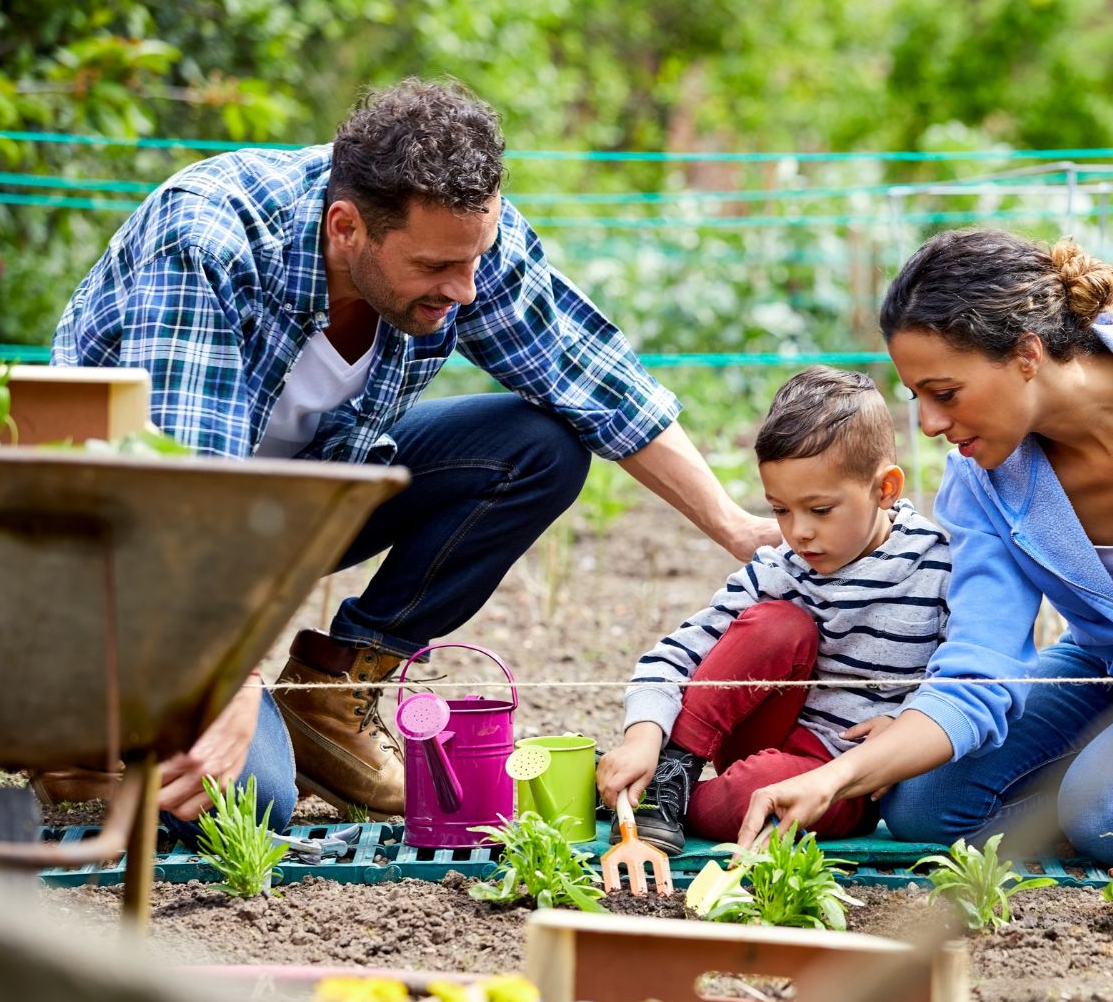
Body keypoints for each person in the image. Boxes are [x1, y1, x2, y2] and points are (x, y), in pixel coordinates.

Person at [45, 78, 777, 829]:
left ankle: (329, 698)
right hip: (115, 550)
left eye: (474, 260)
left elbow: (596, 382)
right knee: (248, 799)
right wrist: (227, 686)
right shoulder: (209, 239)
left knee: (538, 448)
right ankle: (75, 715)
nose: (464, 289)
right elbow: (180, 493)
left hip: (284, 511)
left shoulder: (460, 240)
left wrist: (736, 527)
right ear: (347, 228)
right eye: (435, 270)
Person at [734, 229, 1113, 877]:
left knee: (1110, 813)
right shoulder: (981, 475)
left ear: (1027, 354)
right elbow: (981, 661)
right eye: (915, 396)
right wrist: (837, 777)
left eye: (944, 393)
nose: (926, 424)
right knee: (923, 807)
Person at [595, 366, 951, 853]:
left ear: (884, 489)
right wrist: (643, 736)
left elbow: (963, 677)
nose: (798, 532)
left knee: (753, 794)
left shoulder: (938, 566)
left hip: (844, 777)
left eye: (819, 510)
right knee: (778, 624)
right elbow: (675, 655)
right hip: (761, 730)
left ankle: (640, 796)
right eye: (780, 510)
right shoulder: (782, 567)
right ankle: (666, 773)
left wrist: (906, 724)